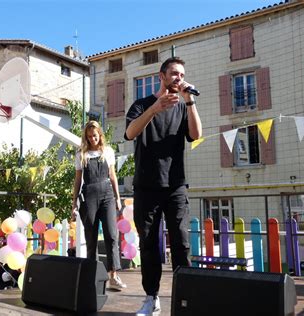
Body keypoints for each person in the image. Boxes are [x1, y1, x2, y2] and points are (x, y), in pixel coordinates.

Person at [124, 56, 202, 315]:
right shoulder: (142, 105)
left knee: (181, 242)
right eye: (174, 74)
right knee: (149, 245)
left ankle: (186, 299)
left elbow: (196, 135)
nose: (179, 78)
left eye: (182, 74)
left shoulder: (183, 106)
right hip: (146, 186)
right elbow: (130, 133)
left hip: (176, 185)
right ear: (162, 76)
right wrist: (155, 109)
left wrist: (190, 101)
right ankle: (151, 298)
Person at [72, 120, 127, 291]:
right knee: (91, 238)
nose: (92, 139)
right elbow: (78, 180)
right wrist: (73, 202)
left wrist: (118, 198)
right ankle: (92, 277)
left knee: (112, 235)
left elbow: (113, 176)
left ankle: (113, 275)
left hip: (107, 195)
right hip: (89, 196)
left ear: (99, 135)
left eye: (94, 136)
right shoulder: (82, 154)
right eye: (89, 137)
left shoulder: (108, 152)